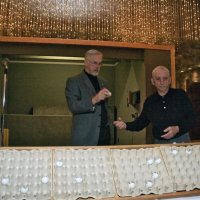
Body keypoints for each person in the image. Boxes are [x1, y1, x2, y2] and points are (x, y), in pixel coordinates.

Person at [114, 65, 196, 144]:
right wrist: (126, 125)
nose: (162, 82)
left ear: (170, 80)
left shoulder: (180, 95)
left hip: (182, 141)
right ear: (153, 81)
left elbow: (192, 118)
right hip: (159, 143)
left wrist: (177, 129)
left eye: (165, 78)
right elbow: (141, 122)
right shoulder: (150, 101)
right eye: (158, 79)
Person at [65, 49, 112, 146]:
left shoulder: (104, 82)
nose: (98, 67)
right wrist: (94, 99)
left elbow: (104, 108)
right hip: (86, 136)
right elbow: (73, 106)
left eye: (100, 63)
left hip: (104, 135)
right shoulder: (74, 81)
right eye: (94, 63)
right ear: (85, 62)